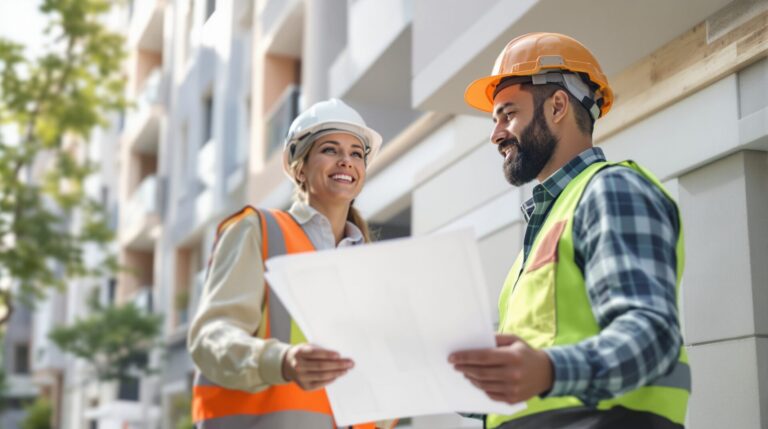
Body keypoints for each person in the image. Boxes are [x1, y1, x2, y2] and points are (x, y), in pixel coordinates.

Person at [449, 33, 690, 428]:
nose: (495, 135)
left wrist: (547, 371)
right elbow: (525, 383)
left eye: (507, 114)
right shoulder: (541, 235)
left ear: (558, 106)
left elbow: (651, 335)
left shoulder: (610, 190)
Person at [188, 99, 386, 428]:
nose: (346, 161)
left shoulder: (371, 264)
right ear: (299, 168)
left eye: (356, 153)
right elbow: (211, 338)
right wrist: (281, 361)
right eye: (330, 149)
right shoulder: (259, 231)